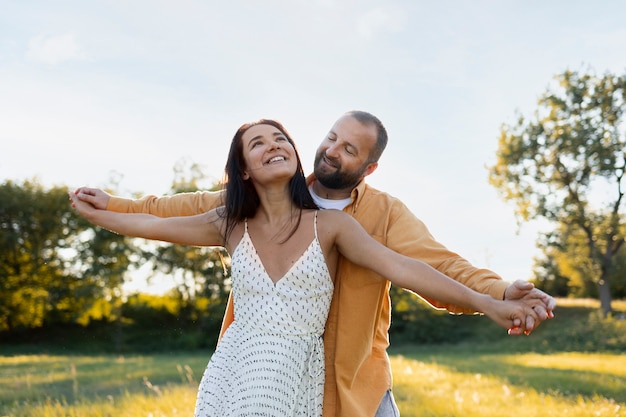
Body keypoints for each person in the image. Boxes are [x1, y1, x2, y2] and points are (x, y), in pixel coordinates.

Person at [74, 111, 556, 417]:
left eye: (349, 149)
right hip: (250, 371)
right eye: (331, 137)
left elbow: (430, 265)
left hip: (351, 381)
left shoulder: (376, 217)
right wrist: (113, 204)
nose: (332, 150)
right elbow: (174, 213)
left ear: (368, 168)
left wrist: (495, 295)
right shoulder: (252, 208)